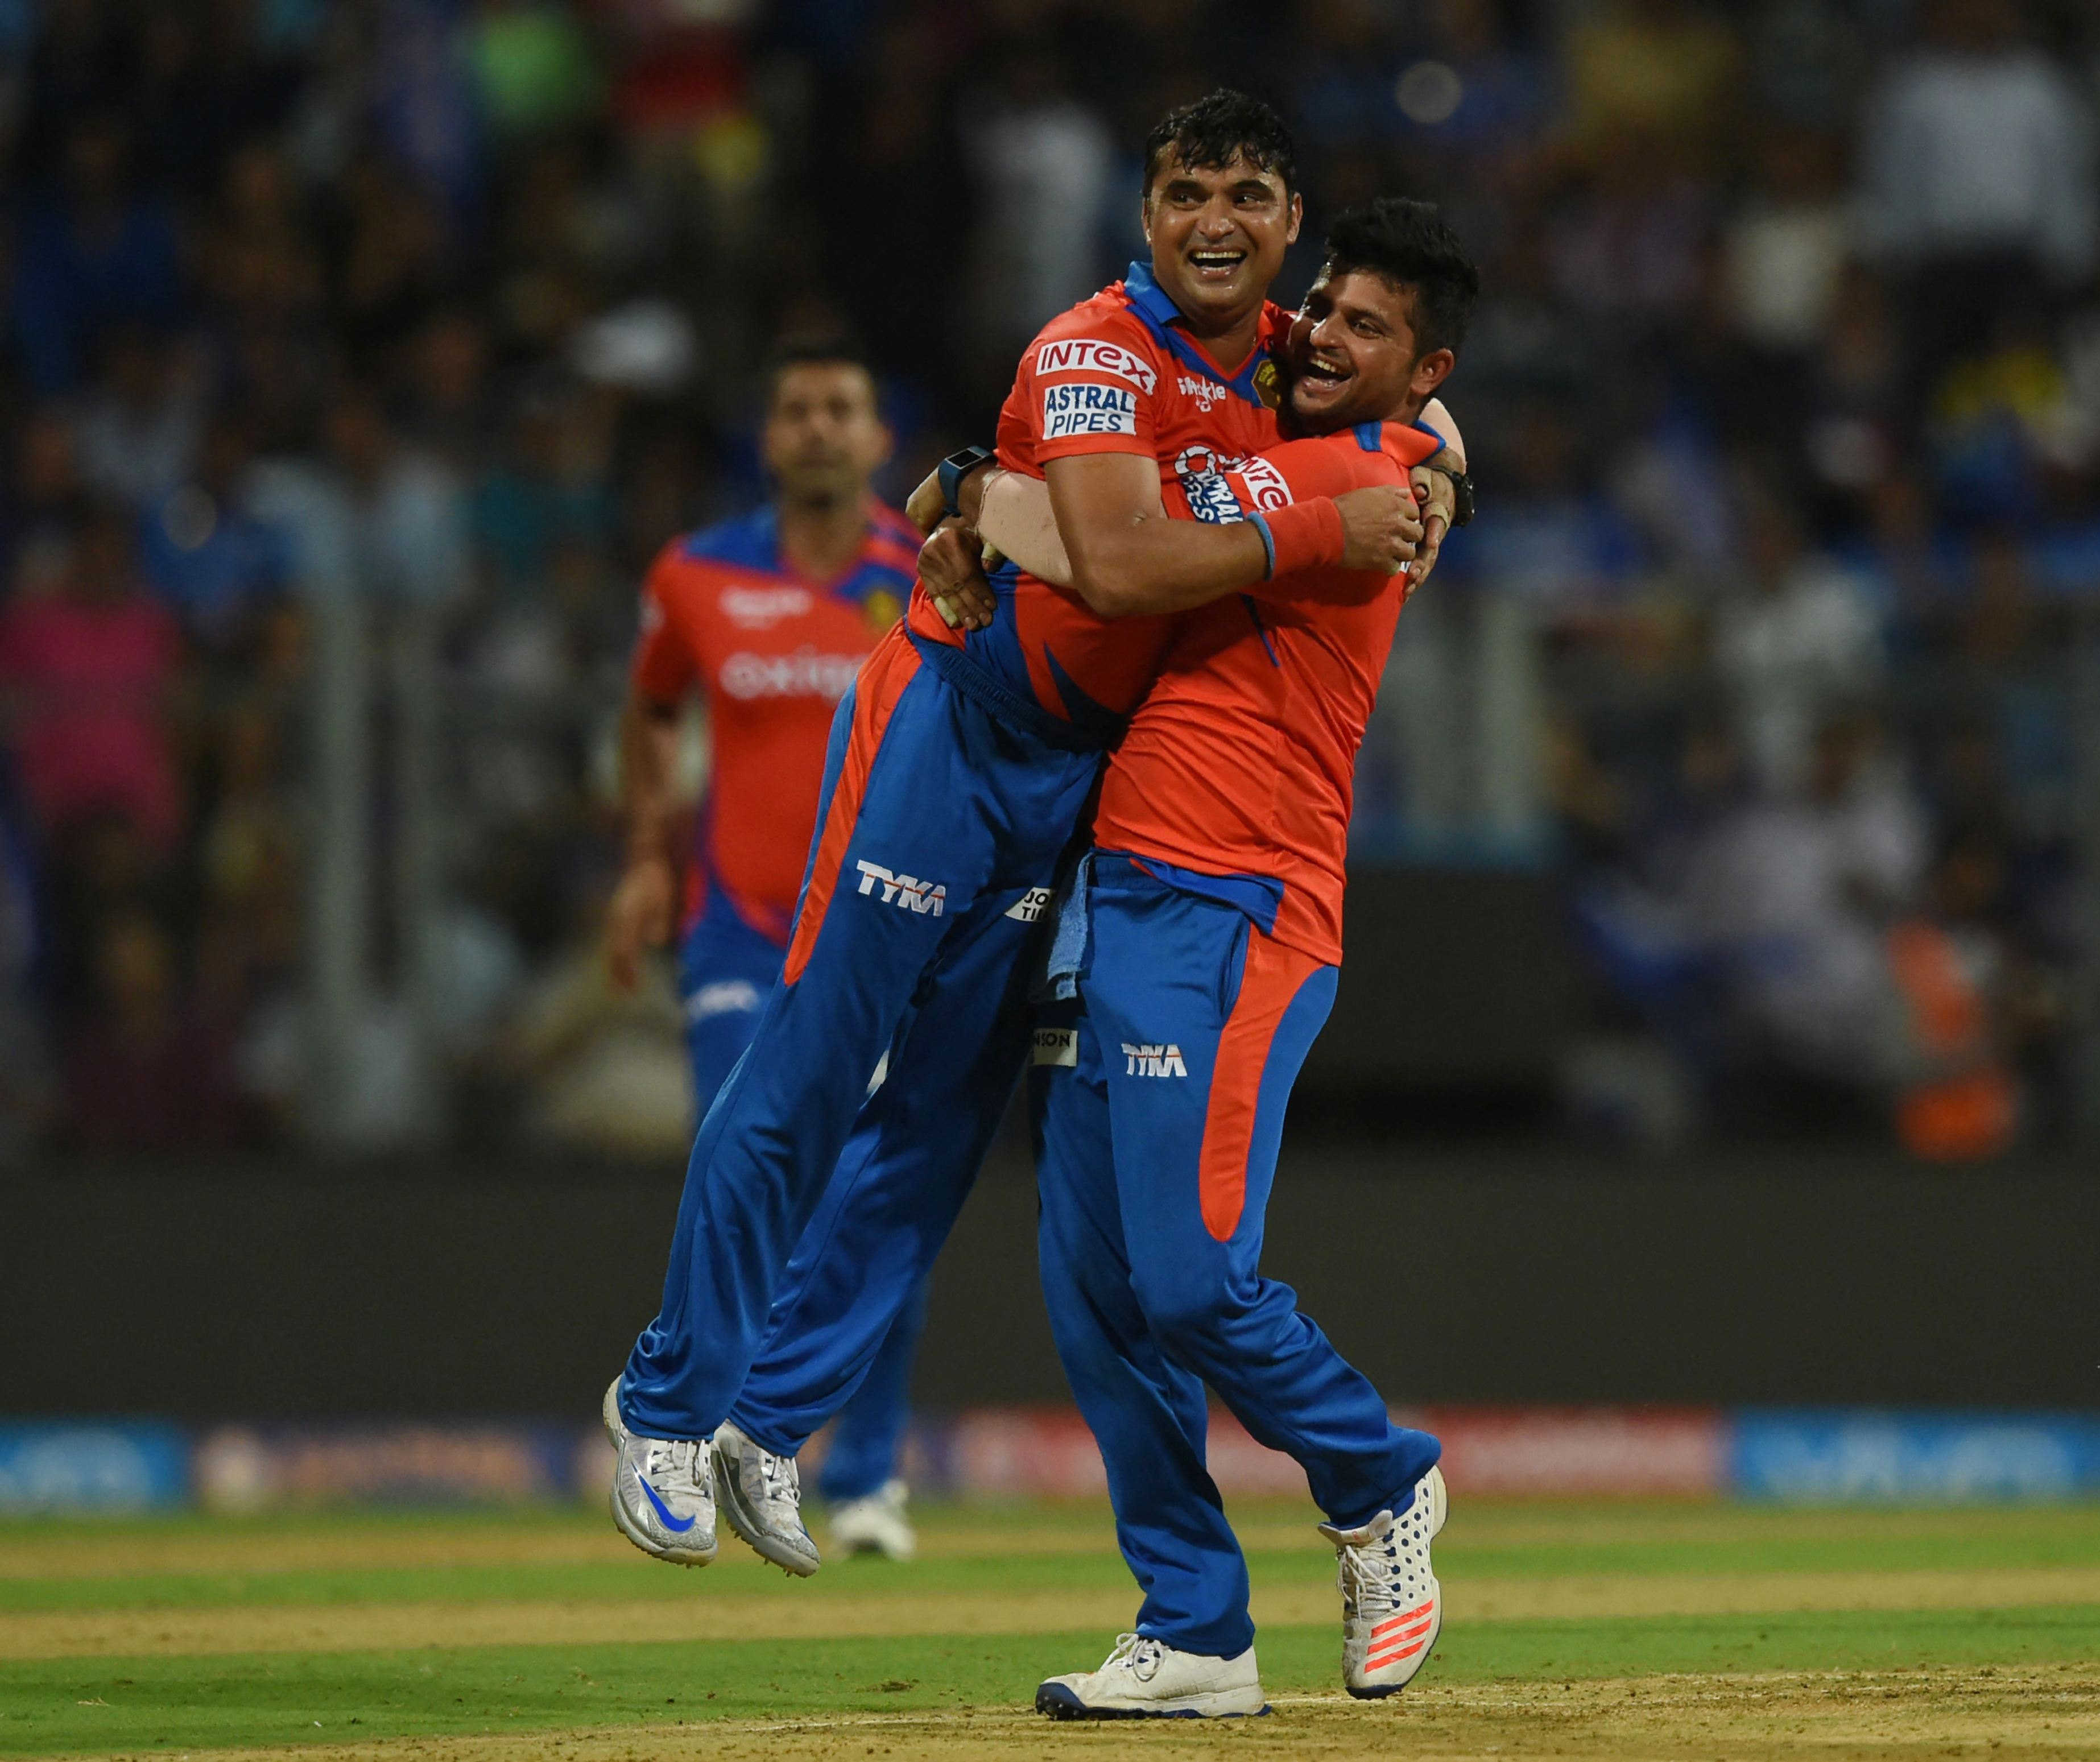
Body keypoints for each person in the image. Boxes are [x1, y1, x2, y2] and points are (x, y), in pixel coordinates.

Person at [600, 90, 1449, 1575]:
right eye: (1188, 190)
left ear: (1287, 227)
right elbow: (1118, 569)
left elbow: (1423, 402)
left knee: (933, 1129)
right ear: (1144, 209)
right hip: (950, 718)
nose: (1214, 221)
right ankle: (665, 1401)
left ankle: (765, 1424)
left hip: (1076, 787)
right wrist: (1319, 521)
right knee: (810, 1062)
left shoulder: (1288, 360)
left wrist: (1438, 466)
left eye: (1248, 196)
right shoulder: (1087, 352)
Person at [948, 197, 1475, 1718]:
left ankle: (1380, 1485)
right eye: (1325, 305)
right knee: (1091, 1288)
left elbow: (1111, 556)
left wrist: (987, 499)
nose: (1321, 330)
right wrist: (971, 499)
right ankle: (1192, 1629)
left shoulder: (1371, 472)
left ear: (1421, 371)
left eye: (1367, 327)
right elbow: (1112, 532)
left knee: (1184, 1280)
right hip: (1117, 895)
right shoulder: (1316, 439)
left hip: (1236, 907)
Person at [602, 339, 929, 1570]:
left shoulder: (931, 570)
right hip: (740, 921)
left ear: (877, 435)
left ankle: (870, 1469)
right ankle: (686, 1417)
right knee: (753, 1168)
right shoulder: (695, 574)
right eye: (793, 408)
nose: (816, 427)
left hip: (880, 924)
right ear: (768, 437)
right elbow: (649, 707)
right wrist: (646, 854)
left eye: (839, 406)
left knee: (875, 1188)